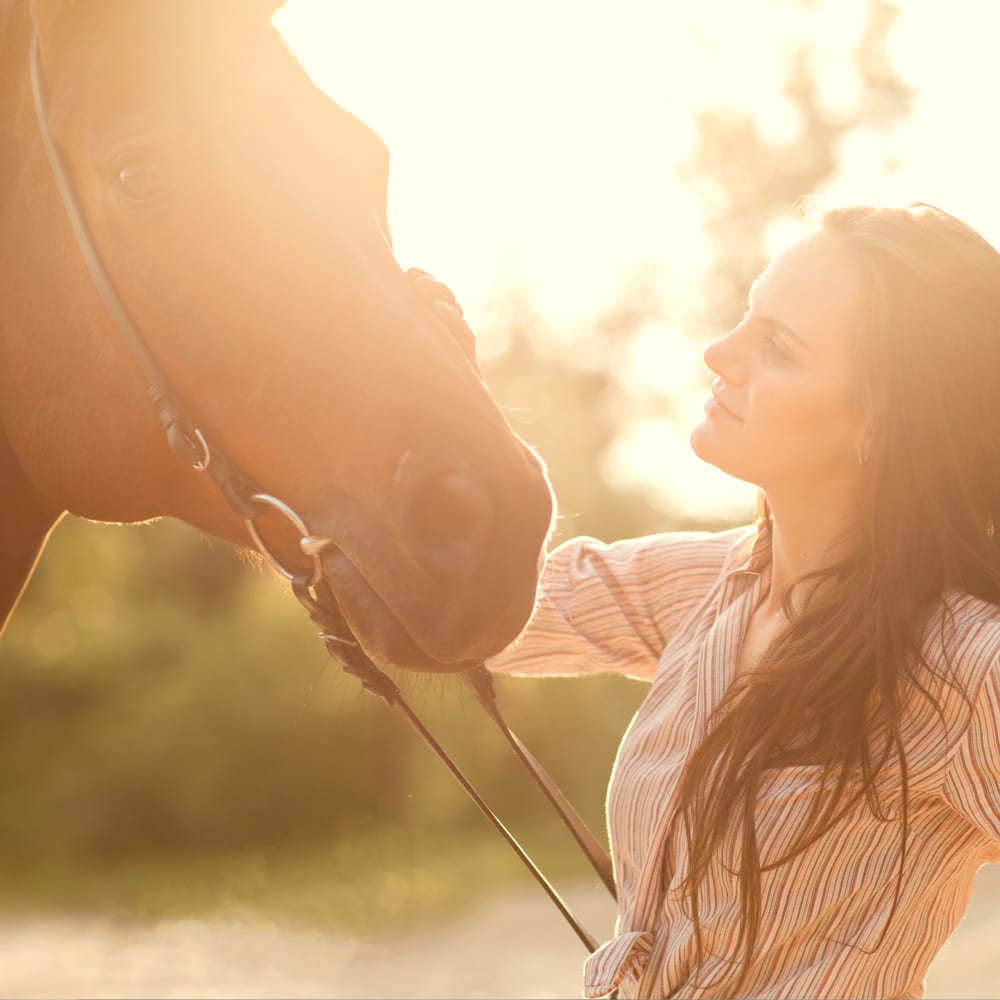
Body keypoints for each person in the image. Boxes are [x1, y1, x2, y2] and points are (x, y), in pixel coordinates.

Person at [412, 202, 1000, 999]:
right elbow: (454, 606)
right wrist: (429, 398)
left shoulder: (965, 667)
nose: (718, 354)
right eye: (746, 320)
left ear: (882, 426)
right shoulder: (707, 586)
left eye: (778, 348)